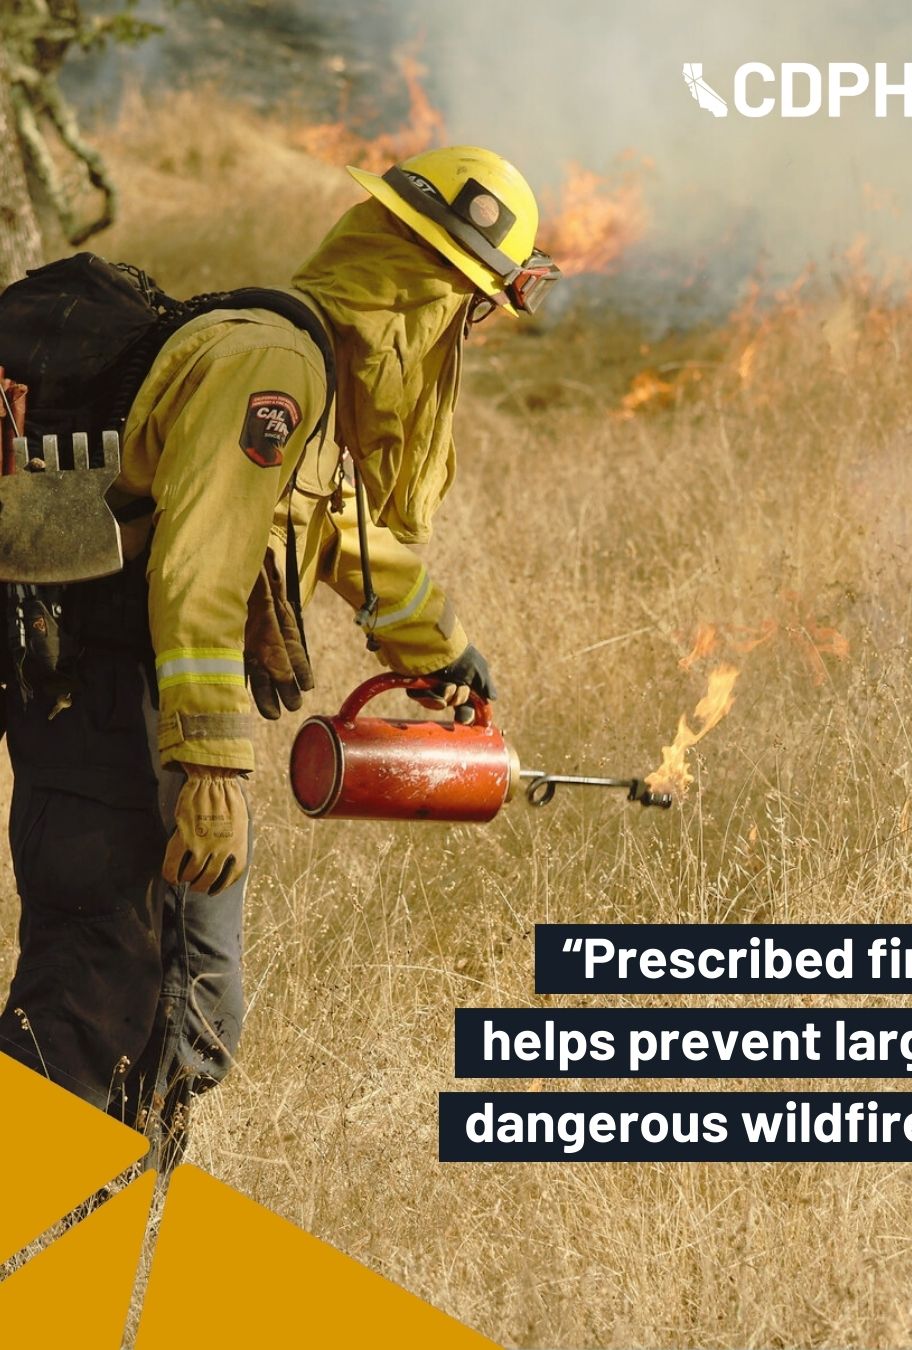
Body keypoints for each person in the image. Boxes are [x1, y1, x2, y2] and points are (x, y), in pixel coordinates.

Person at [0, 145, 560, 1166]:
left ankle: (87, 1244)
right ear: (425, 291)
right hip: (105, 703)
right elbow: (201, 573)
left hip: (107, 701)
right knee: (98, 994)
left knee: (169, 1013)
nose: (461, 339)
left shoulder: (294, 362)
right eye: (470, 310)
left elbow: (329, 532)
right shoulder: (275, 367)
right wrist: (214, 770)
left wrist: (445, 650)